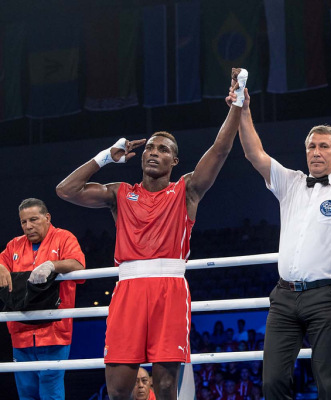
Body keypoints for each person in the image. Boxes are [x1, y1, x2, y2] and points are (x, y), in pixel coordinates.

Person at [55, 69, 246, 400]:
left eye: (163, 149)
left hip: (169, 289)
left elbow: (220, 149)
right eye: (150, 148)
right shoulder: (119, 192)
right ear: (142, 155)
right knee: (117, 391)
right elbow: (65, 190)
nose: (154, 152)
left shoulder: (186, 191)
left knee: (166, 386)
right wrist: (105, 158)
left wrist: (238, 103)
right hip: (128, 289)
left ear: (174, 160)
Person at [228, 70, 331, 400]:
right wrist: (244, 109)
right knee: (273, 382)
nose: (316, 152)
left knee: (330, 383)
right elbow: (254, 153)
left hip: (325, 297)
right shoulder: (290, 181)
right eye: (311, 146)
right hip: (284, 298)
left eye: (323, 146)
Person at [0, 198, 86, 399]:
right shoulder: (14, 245)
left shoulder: (64, 238)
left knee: (51, 391)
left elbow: (79, 265)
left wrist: (53, 265)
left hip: (54, 332)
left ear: (47, 218)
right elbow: (1, 262)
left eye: (33, 220)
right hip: (20, 332)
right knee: (27, 393)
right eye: (23, 222)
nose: (28, 226)